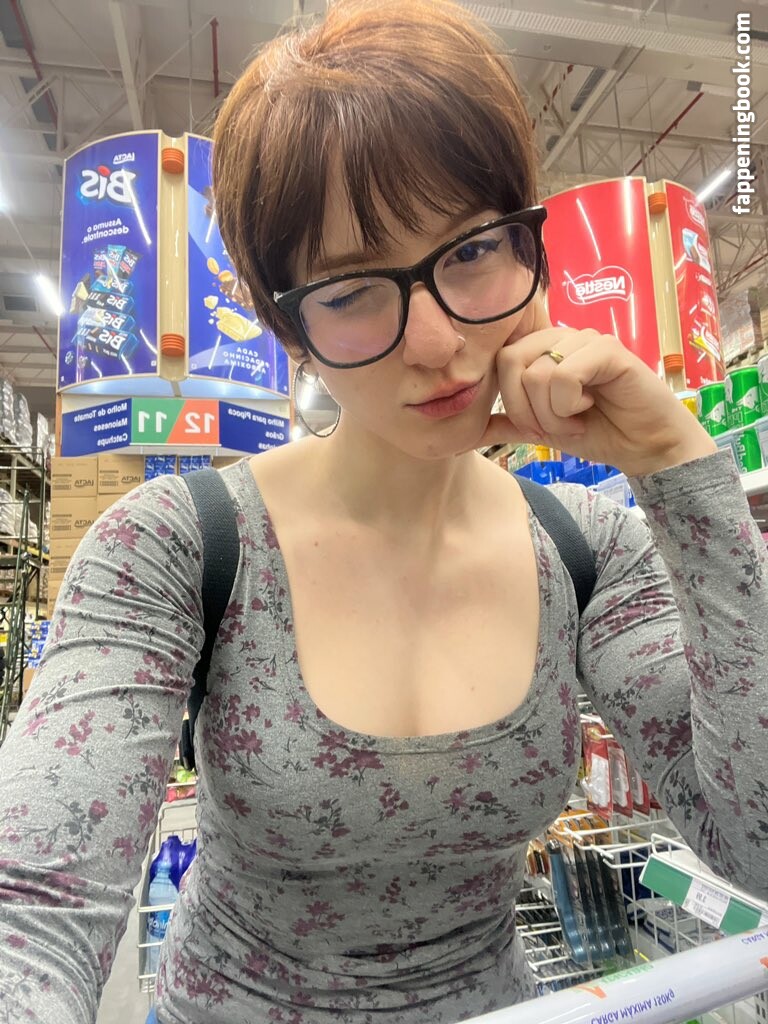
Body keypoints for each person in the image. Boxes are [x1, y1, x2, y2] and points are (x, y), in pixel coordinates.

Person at [1, 1, 767, 1022]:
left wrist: (680, 468)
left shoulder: (589, 551)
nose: (439, 342)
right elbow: (38, 904)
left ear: (530, 245)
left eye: (472, 250)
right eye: (354, 288)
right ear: (289, 329)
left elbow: (755, 838)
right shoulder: (174, 546)